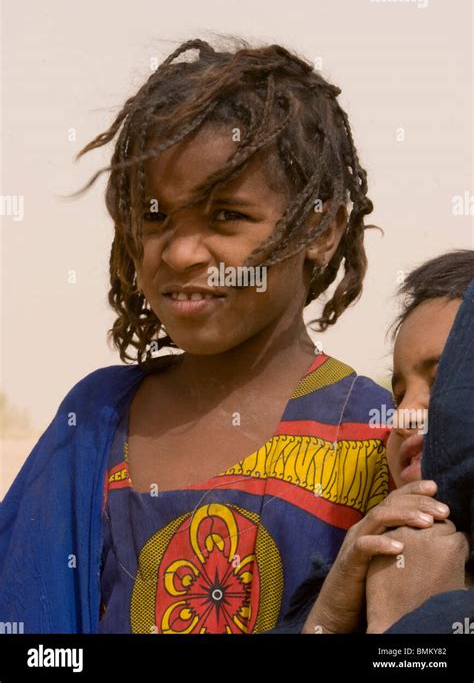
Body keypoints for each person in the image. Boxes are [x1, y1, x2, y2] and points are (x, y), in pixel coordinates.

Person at [0, 35, 439, 635]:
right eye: (154, 216)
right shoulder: (95, 420)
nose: (179, 252)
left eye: (226, 215)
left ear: (323, 230)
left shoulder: (378, 438)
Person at [266, 250, 474, 634]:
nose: (401, 417)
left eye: (442, 379)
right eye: (398, 397)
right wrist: (324, 619)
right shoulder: (354, 583)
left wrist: (403, 623)